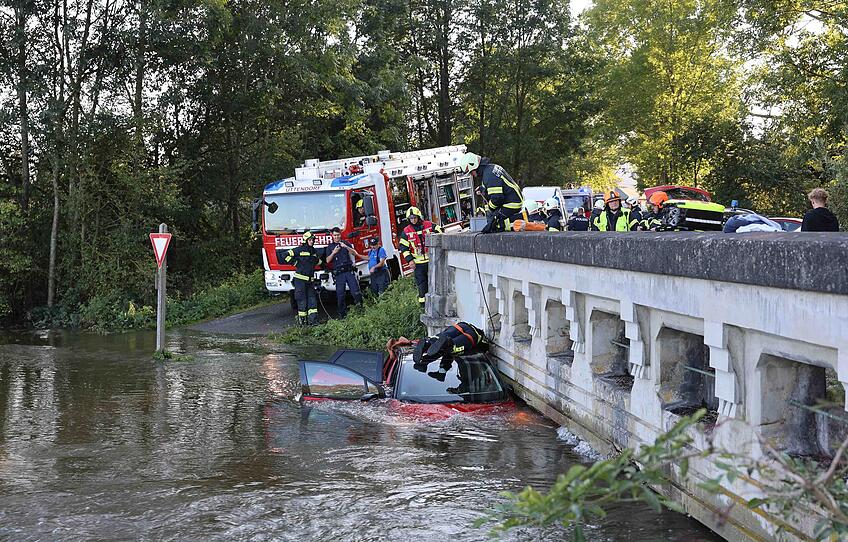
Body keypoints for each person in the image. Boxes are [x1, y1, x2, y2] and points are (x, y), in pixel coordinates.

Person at [458, 153, 523, 233]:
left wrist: (490, 209)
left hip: (512, 203)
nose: (472, 175)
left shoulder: (488, 175)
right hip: (513, 198)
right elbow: (496, 186)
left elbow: (497, 198)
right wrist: (483, 189)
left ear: (474, 166)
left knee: (496, 224)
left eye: (471, 172)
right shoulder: (490, 169)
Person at [399, 206, 443, 307]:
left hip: (432, 261)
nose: (413, 220)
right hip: (418, 264)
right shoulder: (406, 231)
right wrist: (410, 260)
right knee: (422, 285)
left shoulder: (429, 225)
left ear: (419, 217)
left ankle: (438, 304)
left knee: (435, 282)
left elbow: (441, 232)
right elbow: (403, 248)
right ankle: (424, 306)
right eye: (411, 218)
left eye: (415, 217)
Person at [284, 231, 324, 325]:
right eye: (310, 240)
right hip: (300, 280)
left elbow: (317, 261)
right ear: (305, 240)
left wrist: (325, 264)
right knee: (302, 301)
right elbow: (284, 255)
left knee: (312, 301)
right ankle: (303, 323)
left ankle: (313, 322)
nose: (312, 241)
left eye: (313, 240)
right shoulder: (299, 250)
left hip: (310, 281)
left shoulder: (313, 251)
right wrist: (295, 263)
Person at [325, 227, 363, 318]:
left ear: (340, 235)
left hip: (349, 271)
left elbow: (354, 253)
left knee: (356, 292)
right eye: (335, 235)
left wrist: (345, 247)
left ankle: (360, 311)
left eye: (338, 235)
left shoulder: (346, 243)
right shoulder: (330, 247)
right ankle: (342, 315)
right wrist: (334, 252)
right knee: (340, 295)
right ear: (332, 235)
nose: (336, 237)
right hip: (339, 274)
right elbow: (327, 260)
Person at [413, 321, 488, 366]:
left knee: (441, 339)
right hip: (472, 336)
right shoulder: (481, 346)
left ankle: (427, 344)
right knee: (452, 347)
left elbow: (447, 357)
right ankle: (445, 344)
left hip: (460, 325)